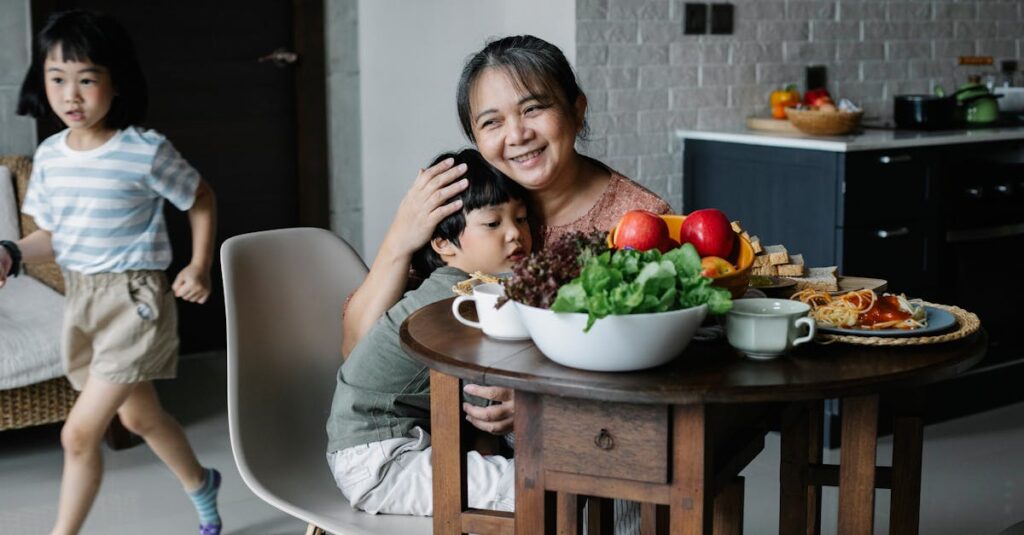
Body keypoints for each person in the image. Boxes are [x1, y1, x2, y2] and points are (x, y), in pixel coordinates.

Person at [342, 34, 671, 434]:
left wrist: (546, 405)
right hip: (445, 452)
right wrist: (399, 239)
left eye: (533, 109)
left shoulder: (638, 222)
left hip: (597, 448)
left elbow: (656, 383)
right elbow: (358, 352)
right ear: (476, 139)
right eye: (492, 122)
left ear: (577, 110)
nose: (516, 135)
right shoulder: (461, 205)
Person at [0, 10, 221, 535]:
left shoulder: (143, 151)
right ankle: (202, 483)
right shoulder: (50, 156)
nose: (70, 95)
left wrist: (198, 265)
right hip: (83, 302)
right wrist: (9, 250)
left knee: (78, 435)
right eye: (57, 79)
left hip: (135, 304)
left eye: (86, 79)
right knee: (140, 417)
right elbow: (53, 238)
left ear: (115, 82)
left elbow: (201, 198)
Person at [326, 148, 531, 515]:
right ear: (443, 244)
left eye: (521, 218)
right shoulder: (458, 301)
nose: (515, 234)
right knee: (538, 485)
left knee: (533, 476)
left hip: (405, 444)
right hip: (380, 460)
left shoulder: (467, 287)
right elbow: (487, 403)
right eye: (492, 224)